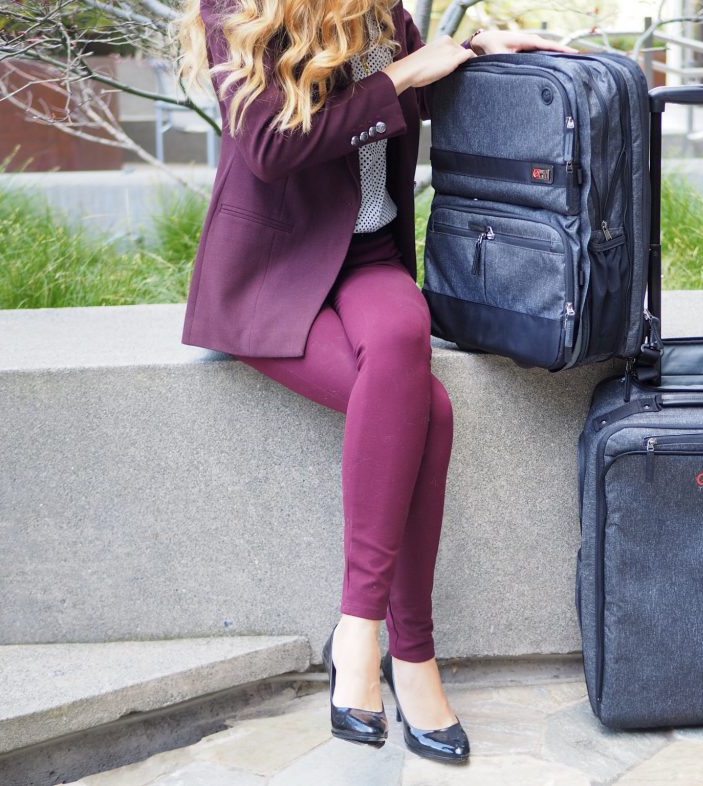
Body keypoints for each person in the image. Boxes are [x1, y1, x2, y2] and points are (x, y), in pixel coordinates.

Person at [175, 0, 573, 764]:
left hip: (368, 258)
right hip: (269, 277)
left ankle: (363, 637)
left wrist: (479, 53)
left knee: (403, 335)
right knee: (430, 409)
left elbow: (416, 94)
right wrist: (400, 76)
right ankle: (402, 649)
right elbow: (266, 144)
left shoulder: (381, 9)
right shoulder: (239, 9)